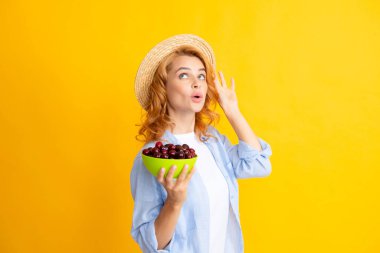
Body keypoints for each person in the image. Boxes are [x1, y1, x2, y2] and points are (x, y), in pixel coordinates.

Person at [130, 34, 272, 253]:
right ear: (163, 87)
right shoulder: (152, 157)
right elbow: (152, 244)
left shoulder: (213, 143)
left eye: (202, 76)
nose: (197, 82)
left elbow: (259, 165)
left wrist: (233, 111)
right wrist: (174, 203)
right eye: (184, 75)